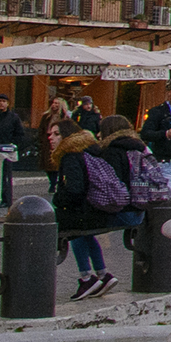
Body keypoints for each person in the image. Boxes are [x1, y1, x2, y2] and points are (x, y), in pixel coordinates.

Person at [53, 113, 129, 298]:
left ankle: (87, 278)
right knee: (85, 233)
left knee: (74, 230)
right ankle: (103, 274)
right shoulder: (89, 150)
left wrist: (57, 200)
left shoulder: (70, 155)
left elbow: (75, 189)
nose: (50, 137)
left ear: (66, 137)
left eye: (55, 134)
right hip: (100, 207)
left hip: (89, 210)